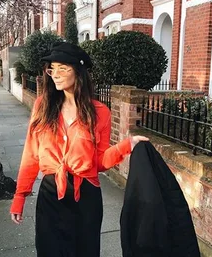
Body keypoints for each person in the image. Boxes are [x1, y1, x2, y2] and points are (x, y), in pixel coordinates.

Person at [10, 42, 148, 257]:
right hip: (51, 192)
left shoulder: (100, 113)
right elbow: (31, 154)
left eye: (62, 68)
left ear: (79, 72)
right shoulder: (42, 106)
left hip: (86, 196)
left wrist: (126, 146)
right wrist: (20, 195)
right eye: (52, 68)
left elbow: (99, 162)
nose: (55, 74)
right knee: (49, 250)